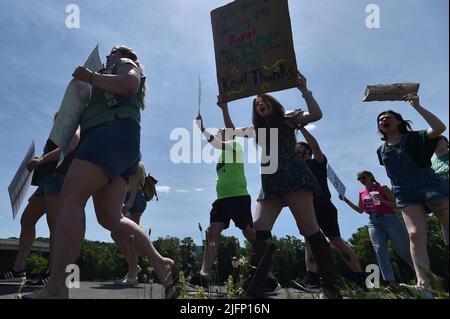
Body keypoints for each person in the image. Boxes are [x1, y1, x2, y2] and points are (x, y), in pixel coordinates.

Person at [24, 45, 176, 299]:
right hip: (117, 141)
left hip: (108, 134)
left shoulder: (124, 64)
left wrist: (90, 76)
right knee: (110, 218)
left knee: (71, 197)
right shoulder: (103, 86)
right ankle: (160, 262)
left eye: (113, 51)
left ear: (123, 54)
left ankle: (57, 287)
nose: (109, 55)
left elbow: (129, 84)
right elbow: (77, 133)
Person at [226, 72, 339, 298]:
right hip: (270, 181)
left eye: (264, 102)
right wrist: (224, 106)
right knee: (259, 229)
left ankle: (330, 288)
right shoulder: (257, 130)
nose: (261, 106)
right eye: (257, 105)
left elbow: (316, 114)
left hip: (293, 176)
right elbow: (231, 132)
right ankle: (255, 288)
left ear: (273, 104)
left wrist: (304, 89)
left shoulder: (289, 119)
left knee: (309, 229)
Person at [376, 93, 448, 295]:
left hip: (430, 186)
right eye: (380, 119)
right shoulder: (381, 150)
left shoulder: (417, 137)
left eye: (387, 116)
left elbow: (440, 128)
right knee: (415, 235)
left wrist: (417, 106)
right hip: (405, 193)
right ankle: (423, 286)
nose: (383, 119)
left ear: (398, 121)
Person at [0, 116, 80, 288]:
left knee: (55, 226)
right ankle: (18, 270)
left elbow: (69, 147)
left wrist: (42, 159)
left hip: (59, 180)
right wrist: (42, 159)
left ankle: (54, 273)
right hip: (46, 181)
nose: (57, 122)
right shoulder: (57, 135)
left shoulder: (75, 130)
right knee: (27, 220)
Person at [189, 104, 258, 291]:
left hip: (239, 197)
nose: (219, 133)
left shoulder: (234, 146)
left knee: (250, 235)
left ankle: (265, 272)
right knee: (212, 232)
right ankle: (203, 275)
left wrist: (204, 126)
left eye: (222, 132)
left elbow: (228, 130)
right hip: (222, 199)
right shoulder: (221, 155)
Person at [293, 128, 365, 293]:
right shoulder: (295, 170)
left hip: (323, 204)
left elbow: (315, 146)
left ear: (309, 153)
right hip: (307, 206)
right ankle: (312, 280)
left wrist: (301, 127)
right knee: (309, 240)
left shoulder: (317, 162)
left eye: (302, 151)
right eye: (296, 152)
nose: (299, 154)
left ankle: (361, 279)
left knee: (336, 241)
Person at [340, 171, 414, 290]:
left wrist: (383, 200)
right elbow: (360, 210)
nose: (361, 180)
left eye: (363, 177)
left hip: (389, 219)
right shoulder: (362, 193)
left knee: (404, 250)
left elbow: (397, 205)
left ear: (370, 177)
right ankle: (391, 284)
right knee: (380, 251)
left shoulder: (382, 188)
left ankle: (425, 277)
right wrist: (346, 200)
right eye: (359, 179)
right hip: (373, 222)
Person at [113, 161, 148, 285]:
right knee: (116, 234)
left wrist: (129, 203)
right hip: (126, 197)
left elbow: (134, 185)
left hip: (135, 198)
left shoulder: (137, 164)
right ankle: (134, 267)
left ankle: (133, 275)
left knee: (131, 237)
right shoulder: (126, 164)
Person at [432, 135, 449, 245]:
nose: (436, 142)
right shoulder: (429, 163)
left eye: (438, 139)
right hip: (443, 201)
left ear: (446, 141)